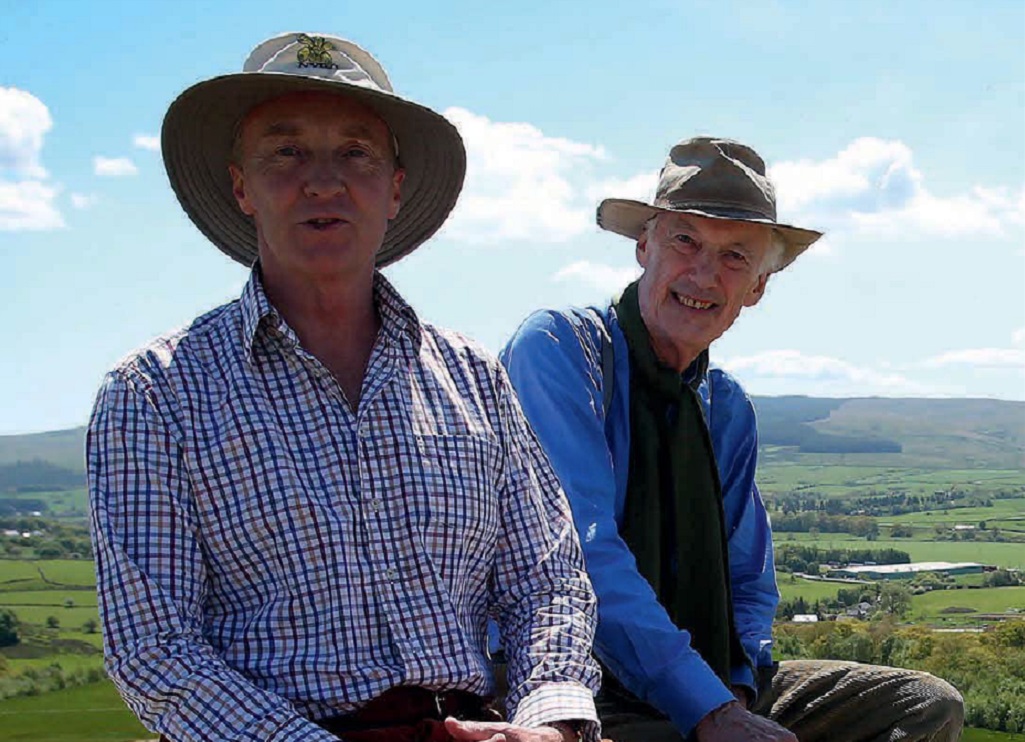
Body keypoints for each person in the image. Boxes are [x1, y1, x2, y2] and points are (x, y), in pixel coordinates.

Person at [87, 32, 600, 742]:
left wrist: (551, 720)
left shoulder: (473, 378)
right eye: (286, 151)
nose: (322, 181)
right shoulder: (155, 394)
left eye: (355, 153)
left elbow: (546, 583)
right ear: (242, 187)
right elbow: (155, 652)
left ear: (393, 190)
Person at [499, 137, 965, 742]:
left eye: (735, 256)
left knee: (923, 705)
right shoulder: (562, 351)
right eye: (685, 240)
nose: (703, 273)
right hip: (576, 679)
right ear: (645, 247)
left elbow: (749, 576)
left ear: (757, 288)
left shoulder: (726, 407)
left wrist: (738, 695)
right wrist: (711, 713)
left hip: (712, 680)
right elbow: (582, 554)